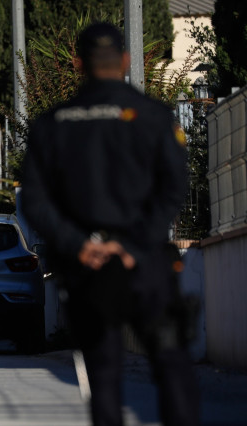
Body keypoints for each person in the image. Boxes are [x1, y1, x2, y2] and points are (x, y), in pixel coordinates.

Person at [21, 22, 199, 426]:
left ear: (78, 63)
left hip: (89, 271)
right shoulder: (154, 117)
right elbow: (173, 188)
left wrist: (79, 244)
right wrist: (135, 245)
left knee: (103, 378)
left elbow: (34, 198)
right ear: (124, 61)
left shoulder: (53, 124)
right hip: (146, 265)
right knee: (172, 367)